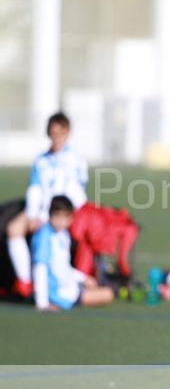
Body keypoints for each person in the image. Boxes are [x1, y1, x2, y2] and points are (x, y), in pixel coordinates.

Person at [5, 112, 87, 298]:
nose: (56, 138)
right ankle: (25, 280)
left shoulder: (75, 159)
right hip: (41, 210)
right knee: (13, 229)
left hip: (62, 211)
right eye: (53, 133)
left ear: (67, 133)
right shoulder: (41, 160)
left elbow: (77, 191)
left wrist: (58, 214)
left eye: (60, 134)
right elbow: (34, 189)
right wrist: (34, 214)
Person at [32, 196, 113, 311]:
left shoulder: (63, 235)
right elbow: (40, 269)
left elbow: (63, 268)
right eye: (57, 216)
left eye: (64, 217)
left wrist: (83, 278)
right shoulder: (44, 236)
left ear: (70, 219)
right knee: (107, 294)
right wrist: (42, 303)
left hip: (69, 288)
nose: (60, 221)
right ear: (50, 215)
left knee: (99, 287)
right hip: (58, 295)